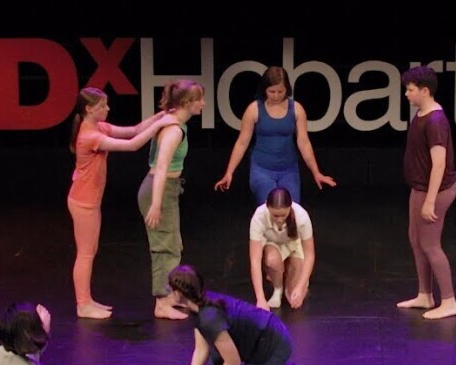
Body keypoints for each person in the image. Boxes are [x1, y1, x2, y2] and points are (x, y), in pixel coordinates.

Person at [68, 87, 176, 319]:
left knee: (90, 251)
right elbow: (133, 145)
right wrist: (160, 124)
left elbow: (134, 130)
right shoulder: (89, 136)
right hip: (83, 202)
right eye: (102, 106)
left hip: (90, 200)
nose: (108, 109)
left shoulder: (99, 127)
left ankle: (87, 300)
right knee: (85, 254)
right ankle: (83, 304)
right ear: (89, 109)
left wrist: (160, 116)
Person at [161, 265, 307, 365]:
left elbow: (233, 362)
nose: (167, 293)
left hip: (273, 346)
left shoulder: (209, 317)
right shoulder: (199, 304)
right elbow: (201, 349)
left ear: (179, 293)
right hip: (256, 339)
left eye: (169, 289)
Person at [214, 66, 336, 205]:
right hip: (262, 169)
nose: (276, 95)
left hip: (289, 169)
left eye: (280, 91)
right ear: (264, 89)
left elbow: (304, 143)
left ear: (287, 89)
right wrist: (229, 172)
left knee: (291, 208)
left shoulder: (297, 109)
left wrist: (316, 172)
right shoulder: (254, 109)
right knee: (269, 206)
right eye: (272, 91)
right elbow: (242, 143)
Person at [138, 79, 206, 320]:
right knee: (165, 248)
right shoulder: (174, 130)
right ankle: (162, 302)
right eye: (199, 100)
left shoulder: (174, 122)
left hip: (168, 189)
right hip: (160, 189)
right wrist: (157, 204)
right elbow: (161, 167)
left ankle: (170, 297)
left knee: (174, 245)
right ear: (187, 103)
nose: (203, 104)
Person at [396, 66, 456, 320]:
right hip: (419, 187)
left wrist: (430, 201)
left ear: (424, 90)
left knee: (430, 244)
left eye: (410, 90)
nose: (406, 94)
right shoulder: (421, 114)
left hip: (436, 190)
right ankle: (425, 295)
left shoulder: (435, 121)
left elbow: (439, 164)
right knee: (415, 238)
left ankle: (450, 301)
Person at [248, 187, 315, 310]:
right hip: (272, 245)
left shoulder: (301, 216)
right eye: (275, 215)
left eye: (283, 215)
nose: (279, 219)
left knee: (294, 297)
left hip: (294, 246)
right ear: (267, 206)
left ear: (290, 207)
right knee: (272, 260)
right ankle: (277, 288)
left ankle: (288, 268)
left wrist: (300, 287)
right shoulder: (259, 217)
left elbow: (310, 254)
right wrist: (260, 298)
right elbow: (255, 260)